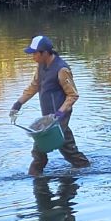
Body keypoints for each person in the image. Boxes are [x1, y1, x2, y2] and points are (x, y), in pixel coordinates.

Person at [9, 34, 90, 176]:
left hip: (59, 118)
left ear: (45, 53)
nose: (33, 56)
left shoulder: (61, 69)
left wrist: (59, 114)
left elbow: (73, 95)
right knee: (68, 150)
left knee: (40, 149)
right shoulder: (41, 66)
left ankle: (35, 177)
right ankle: (84, 167)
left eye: (35, 53)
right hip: (48, 118)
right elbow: (34, 86)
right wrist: (18, 103)